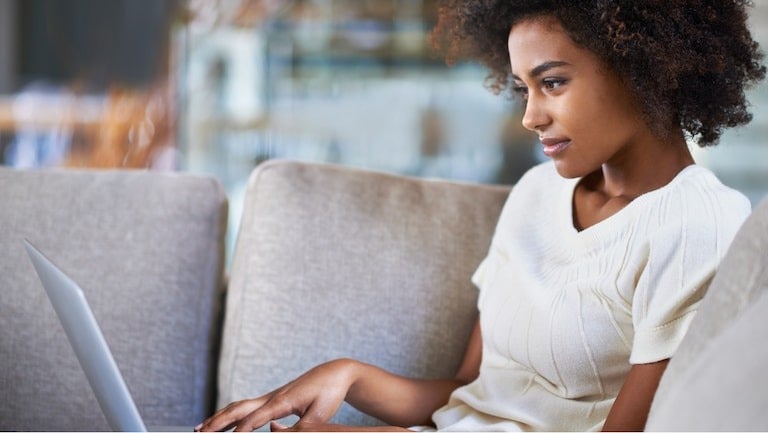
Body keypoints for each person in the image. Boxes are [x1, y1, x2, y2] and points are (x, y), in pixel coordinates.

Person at [196, 0, 765, 431]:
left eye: (553, 82)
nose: (530, 117)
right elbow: (471, 392)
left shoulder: (698, 225)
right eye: (523, 88)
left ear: (645, 68)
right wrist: (349, 375)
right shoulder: (537, 192)